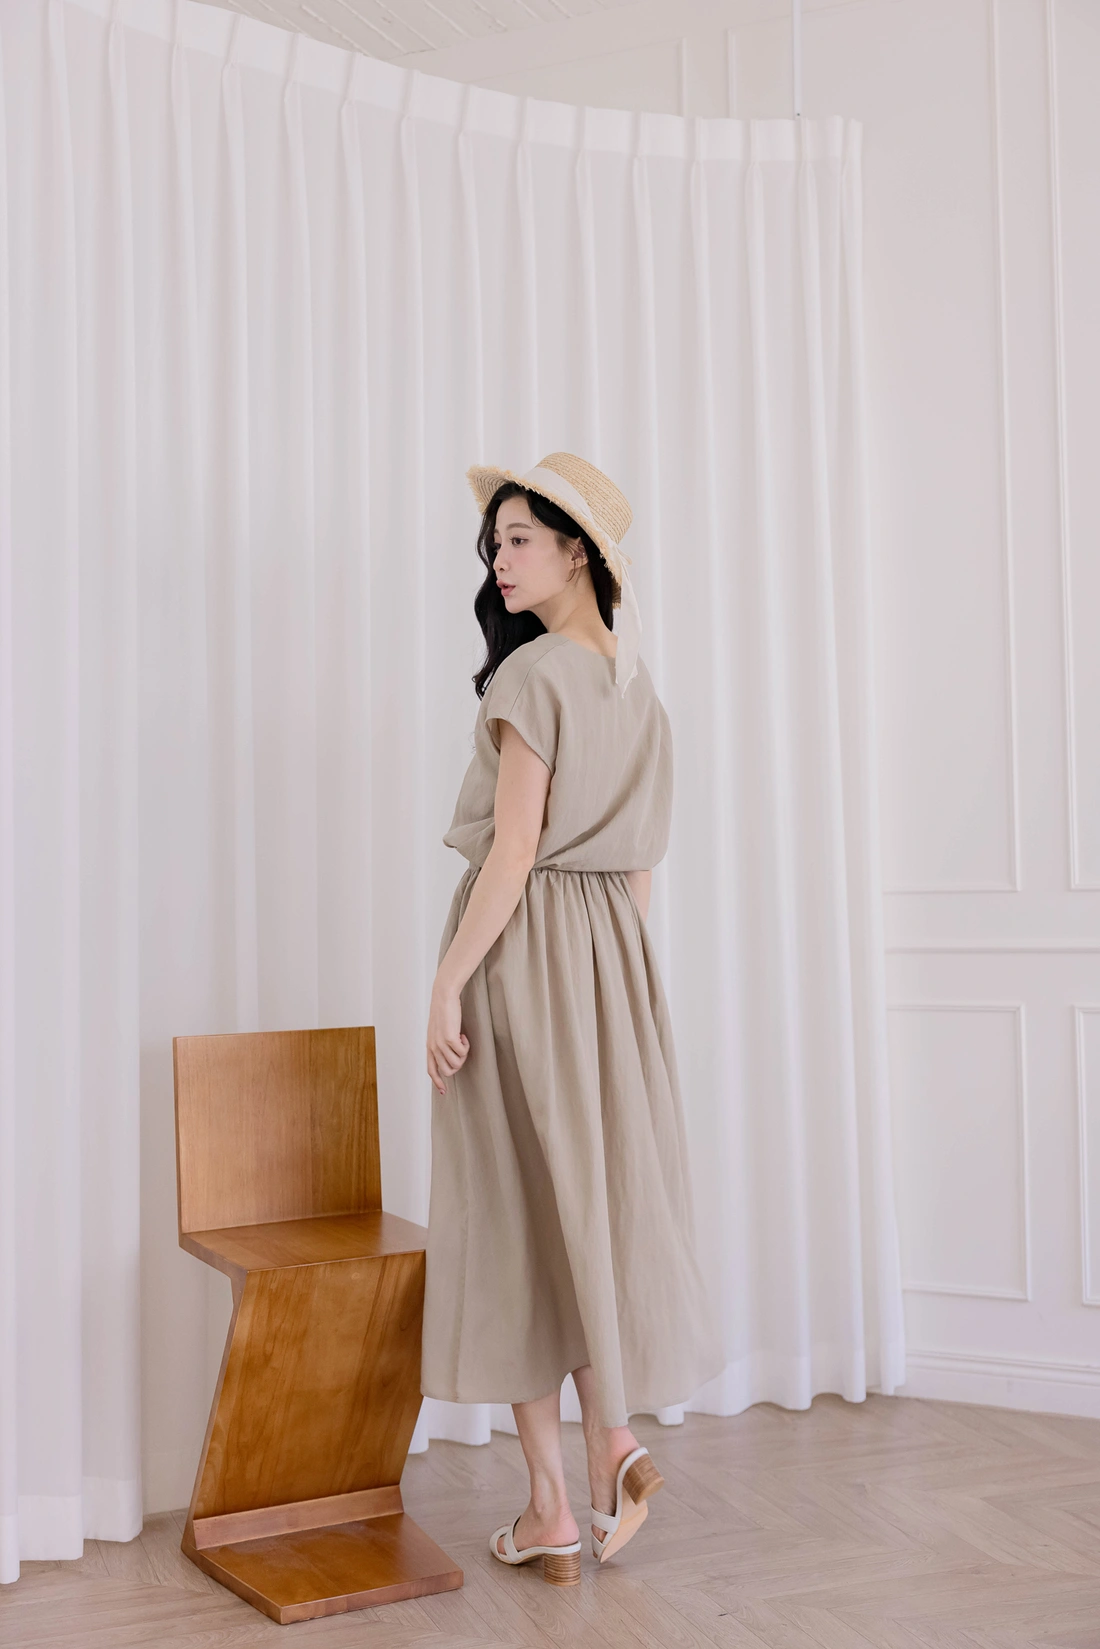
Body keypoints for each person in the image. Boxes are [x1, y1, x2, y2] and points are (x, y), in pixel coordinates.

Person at [422, 453, 724, 1588]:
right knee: (581, 1211)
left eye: (518, 539)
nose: (498, 561)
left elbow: (511, 853)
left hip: (518, 958)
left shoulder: (533, 675)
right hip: (609, 969)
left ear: (578, 551)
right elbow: (639, 870)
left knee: (510, 1215)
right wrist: (607, 987)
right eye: (493, 544)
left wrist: (449, 980)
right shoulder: (640, 693)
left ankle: (552, 1504)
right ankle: (613, 1442)